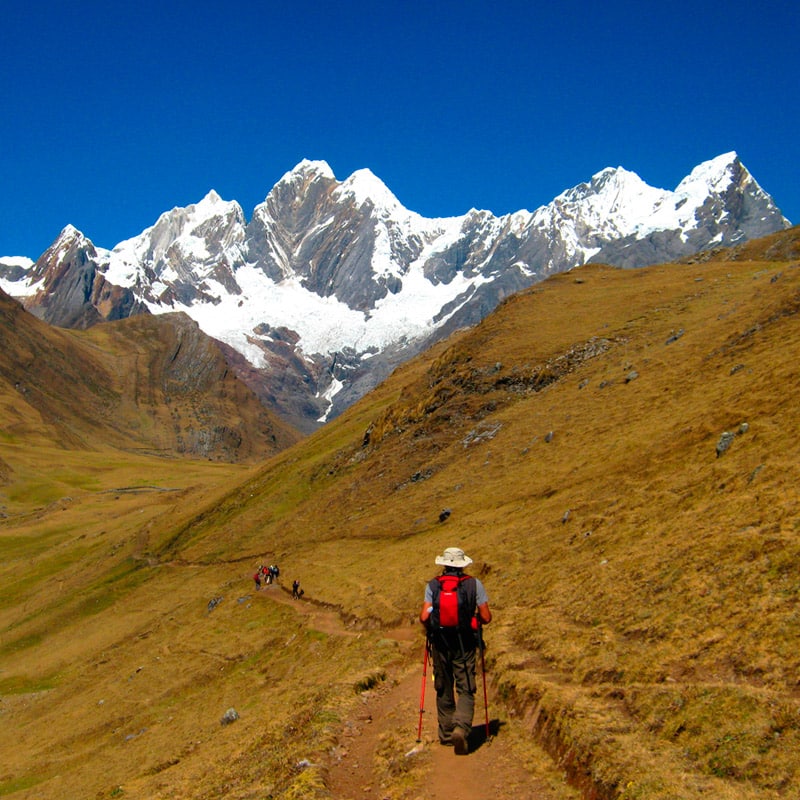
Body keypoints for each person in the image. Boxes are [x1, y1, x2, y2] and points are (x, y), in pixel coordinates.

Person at [420, 546, 491, 755]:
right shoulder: (474, 585)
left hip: (440, 644)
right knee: (466, 687)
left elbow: (424, 616)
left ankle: (446, 733)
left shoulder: (433, 585)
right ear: (462, 565)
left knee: (443, 686)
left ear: (443, 563)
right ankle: (461, 727)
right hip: (465, 644)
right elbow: (486, 617)